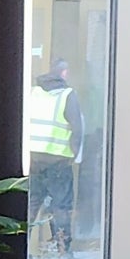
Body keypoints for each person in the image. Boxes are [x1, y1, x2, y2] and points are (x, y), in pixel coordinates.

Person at [27, 62, 77, 243]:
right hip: (58, 160)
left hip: (33, 158)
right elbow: (76, 127)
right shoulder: (67, 95)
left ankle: (20, 245)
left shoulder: (33, 92)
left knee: (31, 203)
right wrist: (75, 154)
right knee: (61, 205)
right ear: (63, 73)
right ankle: (62, 248)